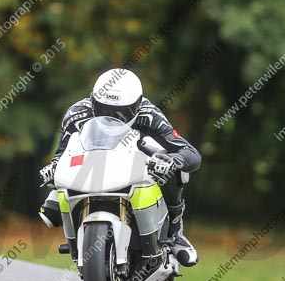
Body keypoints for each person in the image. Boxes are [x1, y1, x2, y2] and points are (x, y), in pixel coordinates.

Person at [38, 68, 201, 266]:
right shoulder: (77, 114)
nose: (111, 117)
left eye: (121, 112)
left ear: (137, 105)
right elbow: (62, 153)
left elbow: (190, 153)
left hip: (135, 165)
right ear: (93, 101)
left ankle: (175, 233)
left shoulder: (149, 114)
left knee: (172, 165)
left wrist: (171, 161)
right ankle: (74, 238)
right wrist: (53, 168)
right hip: (90, 170)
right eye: (103, 109)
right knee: (50, 210)